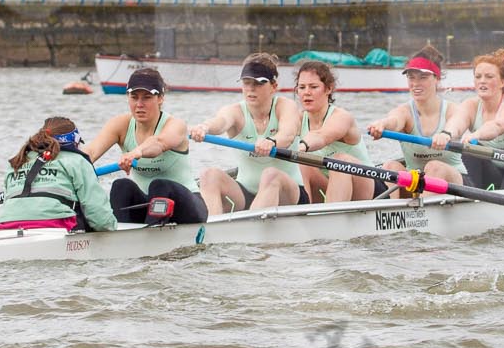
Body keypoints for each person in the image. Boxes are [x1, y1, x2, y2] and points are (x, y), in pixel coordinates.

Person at [83, 67, 209, 225]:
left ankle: (150, 237)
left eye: (147, 97)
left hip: (187, 207)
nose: (139, 104)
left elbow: (159, 143)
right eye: (134, 97)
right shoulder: (119, 124)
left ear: (160, 98)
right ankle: (121, 236)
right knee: (121, 186)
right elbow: (90, 152)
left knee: (160, 185)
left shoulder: (176, 125)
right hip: (148, 205)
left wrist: (135, 152)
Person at [186, 53, 305, 213]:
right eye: (246, 83)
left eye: (258, 83)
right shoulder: (234, 111)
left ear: (274, 86)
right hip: (246, 193)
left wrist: (271, 141)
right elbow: (220, 122)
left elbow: (288, 134)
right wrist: (204, 127)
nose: (250, 89)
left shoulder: (286, 106)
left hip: (290, 194)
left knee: (271, 175)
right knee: (209, 175)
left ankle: (251, 228)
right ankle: (210, 231)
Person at [0, 116, 117, 236]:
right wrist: (112, 231)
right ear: (74, 141)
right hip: (54, 226)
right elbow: (100, 218)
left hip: (5, 226)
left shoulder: (17, 161)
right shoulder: (77, 160)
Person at [437, 48, 504, 189]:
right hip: (498, 176)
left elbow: (498, 125)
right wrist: (446, 134)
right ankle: (470, 199)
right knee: (472, 149)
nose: (482, 81)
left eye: (489, 77)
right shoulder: (471, 105)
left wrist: (476, 134)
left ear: (503, 82)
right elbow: (457, 122)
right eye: (478, 76)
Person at [365, 51, 466, 188]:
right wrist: (382, 124)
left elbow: (456, 125)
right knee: (390, 166)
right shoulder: (404, 111)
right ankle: (393, 208)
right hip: (416, 185)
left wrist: (446, 134)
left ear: (437, 79)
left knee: (434, 167)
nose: (415, 83)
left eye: (423, 77)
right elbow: (394, 121)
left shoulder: (453, 110)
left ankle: (422, 206)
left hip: (453, 184)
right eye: (411, 78)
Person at [286, 61, 377, 203]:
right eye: (302, 87)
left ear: (328, 89)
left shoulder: (341, 117)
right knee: (302, 164)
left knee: (340, 160)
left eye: (313, 87)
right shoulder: (297, 119)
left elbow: (321, 136)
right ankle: (303, 215)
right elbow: (283, 136)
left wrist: (300, 147)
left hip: (367, 186)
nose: (306, 93)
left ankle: (331, 219)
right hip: (329, 185)